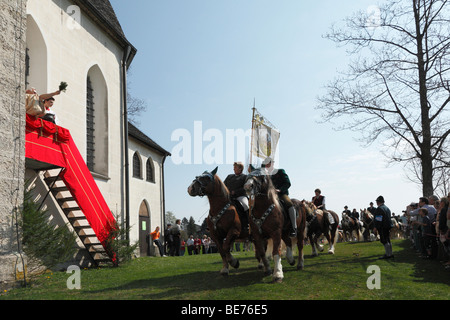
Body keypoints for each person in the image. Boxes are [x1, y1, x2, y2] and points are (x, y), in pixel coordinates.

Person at [263, 157, 297, 237]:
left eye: (268, 163)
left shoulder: (280, 171)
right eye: (266, 164)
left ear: (272, 163)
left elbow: (287, 183)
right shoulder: (266, 176)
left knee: (289, 204)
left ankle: (294, 227)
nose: (266, 165)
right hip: (271, 196)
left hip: (281, 195)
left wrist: (280, 190)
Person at [224, 162, 249, 231]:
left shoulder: (245, 177)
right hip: (229, 197)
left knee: (246, 205)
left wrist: (235, 192)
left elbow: (245, 187)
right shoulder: (229, 176)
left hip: (240, 196)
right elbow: (223, 186)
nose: (233, 169)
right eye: (234, 167)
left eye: (235, 167)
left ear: (240, 168)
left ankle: (247, 224)